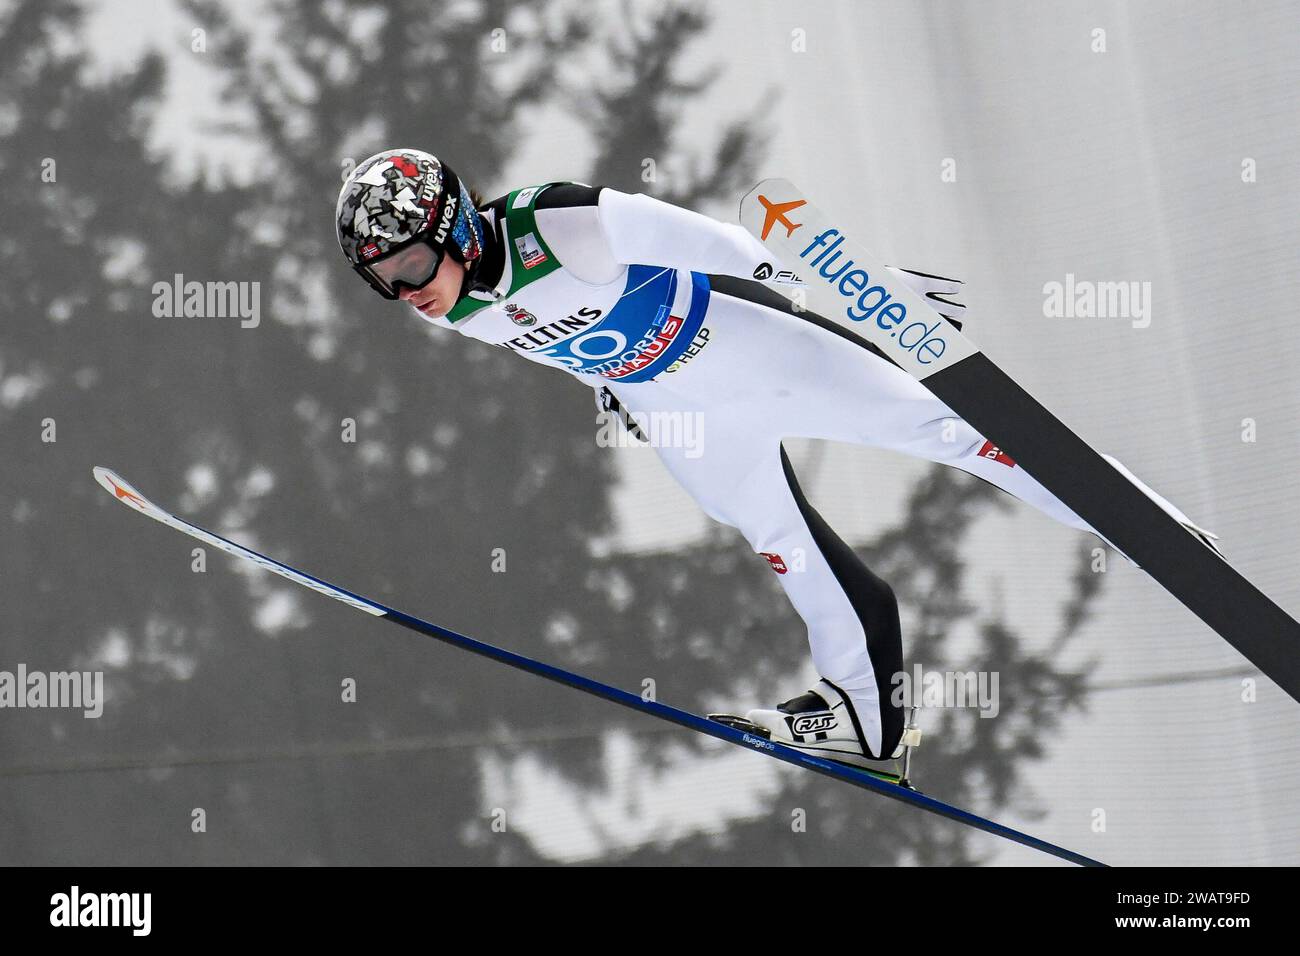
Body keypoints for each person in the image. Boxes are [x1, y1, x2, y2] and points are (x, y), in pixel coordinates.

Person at [335, 147, 1214, 769]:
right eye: (383, 282)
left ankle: (1150, 531)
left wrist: (872, 304)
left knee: (947, 429)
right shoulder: (458, 307)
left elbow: (728, 248)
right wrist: (612, 390)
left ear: (451, 223)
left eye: (409, 264)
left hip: (750, 349)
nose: (407, 293)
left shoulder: (556, 222)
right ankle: (864, 714)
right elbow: (562, 335)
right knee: (774, 536)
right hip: (679, 409)